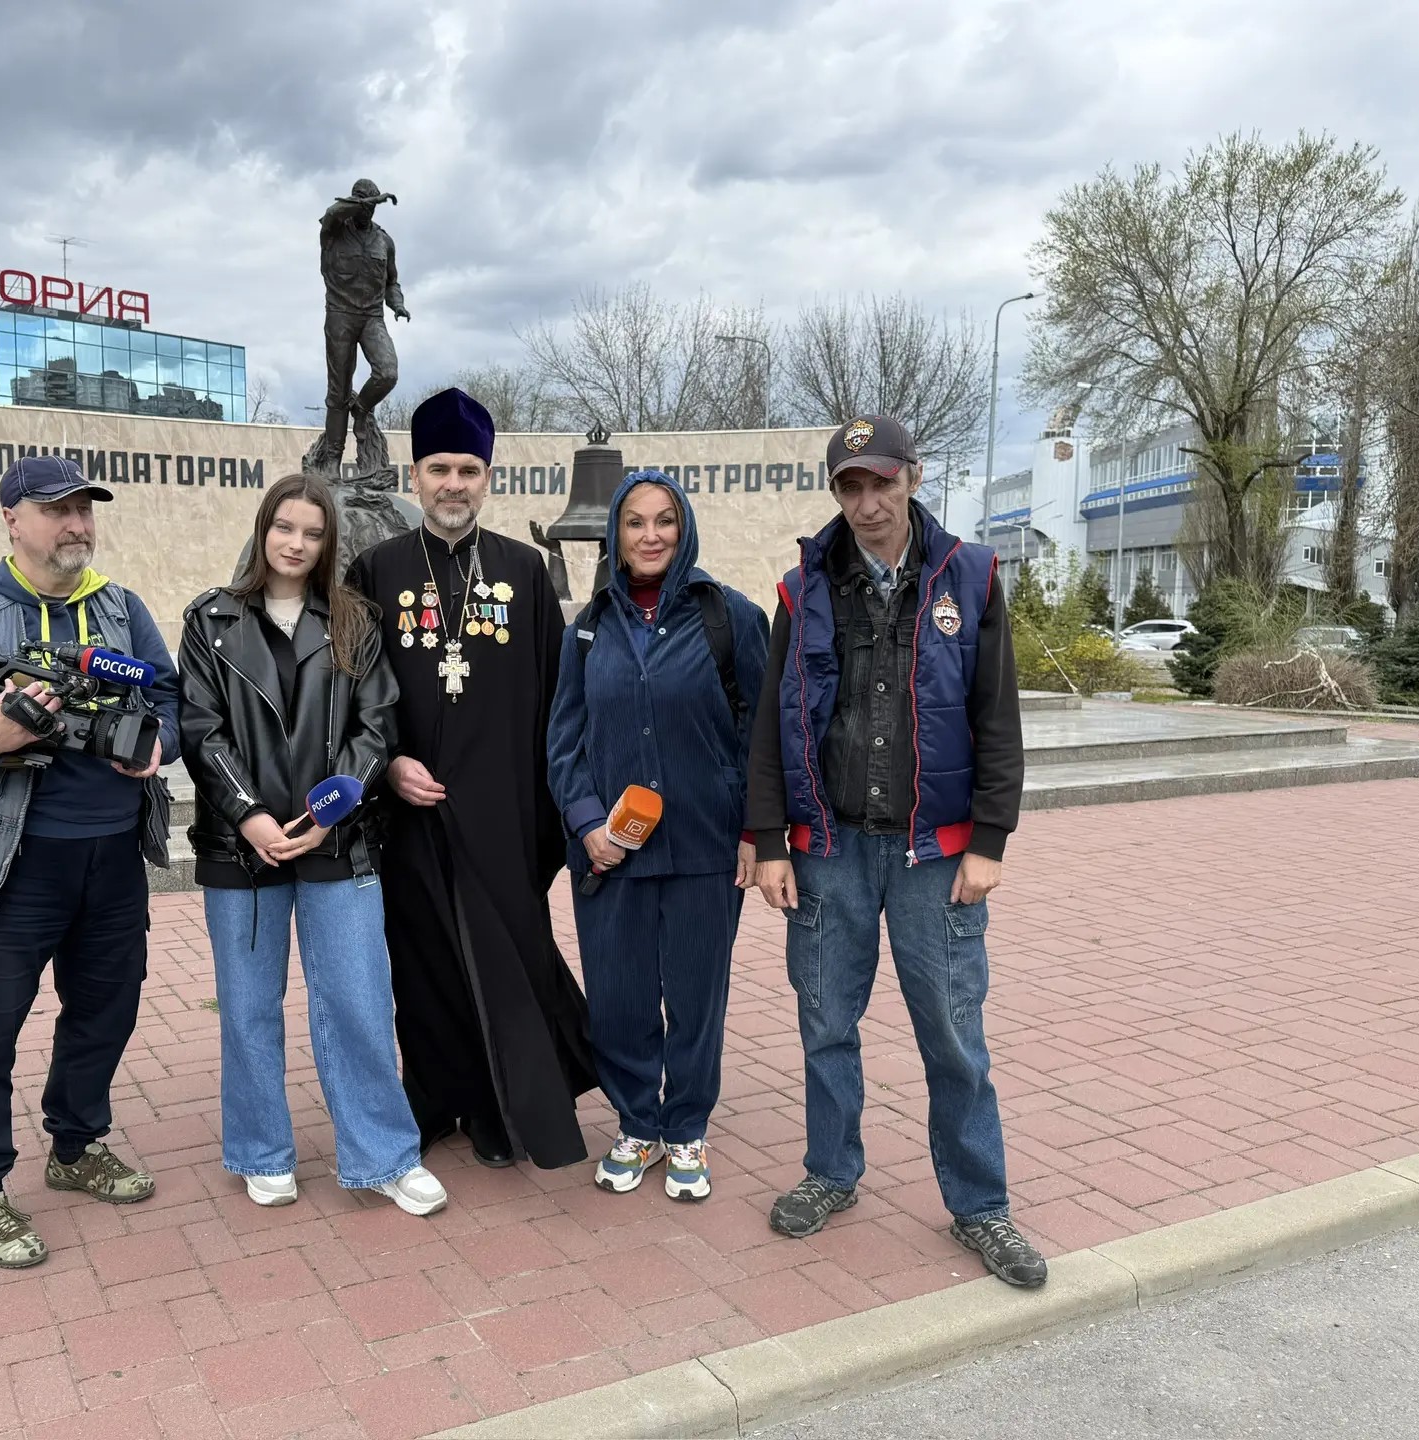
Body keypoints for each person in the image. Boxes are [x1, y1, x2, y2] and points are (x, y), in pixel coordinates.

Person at [745, 414, 1044, 1287]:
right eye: (851, 486)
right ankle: (831, 1172)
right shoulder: (802, 588)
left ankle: (981, 1205)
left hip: (933, 856)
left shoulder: (972, 578)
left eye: (881, 481)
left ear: (912, 475)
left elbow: (997, 717)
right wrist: (770, 841)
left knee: (952, 1033)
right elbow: (770, 725)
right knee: (825, 1023)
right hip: (828, 848)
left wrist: (989, 840)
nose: (868, 502)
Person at [0, 455, 177, 1270]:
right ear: (12, 520)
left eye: (85, 510)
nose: (77, 525)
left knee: (106, 1011)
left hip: (112, 857)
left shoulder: (120, 610)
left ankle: (76, 1146)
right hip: (7, 865)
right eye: (58, 510)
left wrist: (160, 743)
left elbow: (172, 700)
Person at [178, 473, 447, 1217]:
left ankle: (383, 1155)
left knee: (358, 1002)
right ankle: (261, 1151)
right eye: (284, 527)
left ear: (328, 542)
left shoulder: (356, 621)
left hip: (341, 841)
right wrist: (249, 815)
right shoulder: (210, 619)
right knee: (248, 1008)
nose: (295, 544)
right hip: (242, 849)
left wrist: (332, 810)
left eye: (312, 532)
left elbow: (377, 725)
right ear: (263, 530)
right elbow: (200, 728)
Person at [347, 388, 598, 1170]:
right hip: (408, 807)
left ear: (487, 478)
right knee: (421, 959)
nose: (453, 484)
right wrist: (388, 762)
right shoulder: (374, 569)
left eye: (468, 470)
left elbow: (557, 699)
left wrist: (553, 807)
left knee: (511, 948)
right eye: (439, 469)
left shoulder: (525, 570)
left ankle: (495, 1108)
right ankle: (432, 1100)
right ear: (414, 476)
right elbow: (351, 691)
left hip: (503, 806)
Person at [546, 470, 769, 1201]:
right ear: (615, 533)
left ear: (685, 528)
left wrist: (755, 831)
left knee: (697, 998)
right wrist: (587, 824)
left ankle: (686, 1128)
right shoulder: (588, 628)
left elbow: (761, 734)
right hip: (612, 854)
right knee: (620, 998)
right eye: (634, 522)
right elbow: (564, 742)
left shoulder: (730, 617)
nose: (650, 535)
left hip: (706, 846)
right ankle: (638, 1123)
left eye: (664, 520)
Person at [313, 177, 410, 466]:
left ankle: (362, 409)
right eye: (360, 201)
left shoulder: (384, 241)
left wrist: (398, 304)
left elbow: (391, 282)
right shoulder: (334, 230)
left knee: (387, 373)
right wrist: (362, 202)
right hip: (340, 314)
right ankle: (332, 462)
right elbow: (332, 212)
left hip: (371, 317)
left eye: (370, 204)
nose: (365, 209)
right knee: (339, 391)